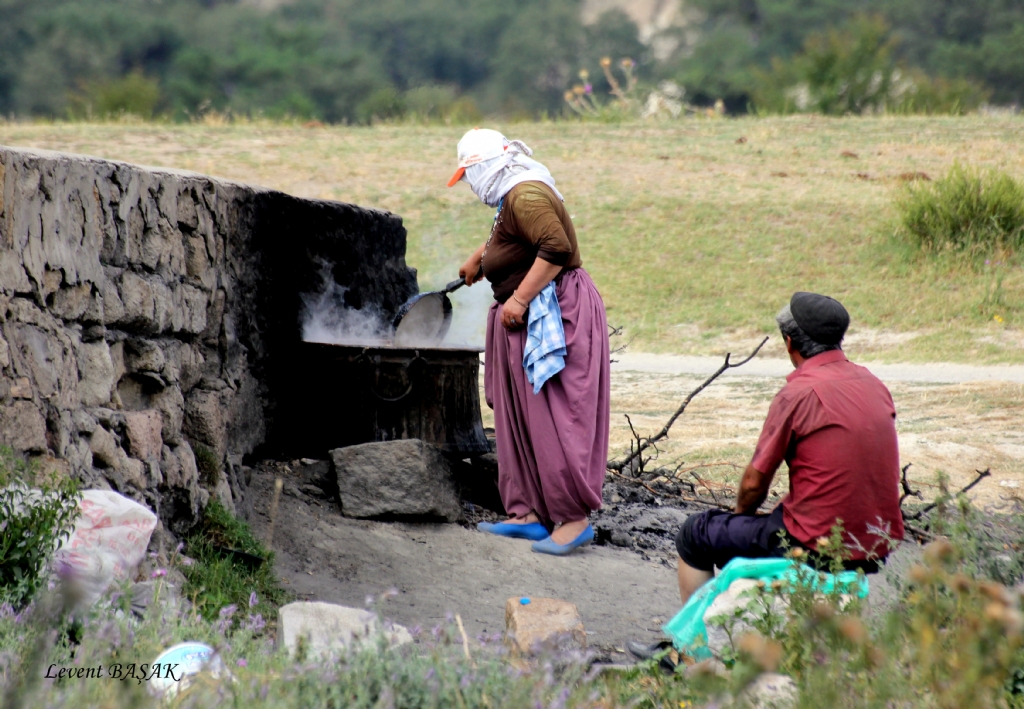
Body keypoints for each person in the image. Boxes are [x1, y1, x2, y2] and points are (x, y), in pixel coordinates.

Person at [629, 291, 905, 662]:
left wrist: (739, 519)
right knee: (770, 522)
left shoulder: (799, 393)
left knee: (696, 535)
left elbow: (754, 483)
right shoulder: (874, 384)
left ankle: (689, 653)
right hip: (872, 544)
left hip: (813, 546)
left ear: (789, 342)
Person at [446, 128, 610, 556]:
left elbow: (555, 246)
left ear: (483, 167)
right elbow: (517, 242)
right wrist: (481, 259)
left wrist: (518, 298)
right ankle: (529, 515)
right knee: (521, 415)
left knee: (554, 414)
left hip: (553, 312)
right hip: (527, 314)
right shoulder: (511, 196)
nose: (468, 185)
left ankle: (572, 520)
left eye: (468, 175)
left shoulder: (526, 195)